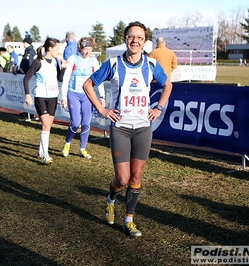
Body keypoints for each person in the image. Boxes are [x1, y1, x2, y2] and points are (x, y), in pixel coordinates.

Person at [82, 21, 172, 237]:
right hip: (120, 128)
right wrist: (103, 110)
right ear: (125, 40)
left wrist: (159, 107)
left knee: (136, 176)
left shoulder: (151, 65)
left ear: (144, 42)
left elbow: (168, 84)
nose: (135, 41)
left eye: (139, 38)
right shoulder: (113, 64)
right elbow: (87, 85)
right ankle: (111, 198)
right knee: (122, 179)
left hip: (143, 128)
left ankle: (129, 220)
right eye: (131, 37)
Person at [60, 36, 105, 159]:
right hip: (73, 94)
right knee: (75, 123)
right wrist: (63, 97)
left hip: (87, 96)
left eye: (90, 49)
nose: (87, 52)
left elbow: (99, 79)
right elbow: (66, 79)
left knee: (86, 124)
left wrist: (102, 96)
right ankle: (67, 143)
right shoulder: (73, 58)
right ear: (80, 48)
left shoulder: (93, 61)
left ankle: (82, 148)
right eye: (85, 49)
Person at [23, 37, 66, 165]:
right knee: (46, 125)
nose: (59, 51)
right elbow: (26, 78)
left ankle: (41, 151)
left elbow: (59, 78)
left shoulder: (55, 61)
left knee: (47, 126)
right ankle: (45, 156)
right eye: (57, 49)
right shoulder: (38, 62)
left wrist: (63, 68)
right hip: (41, 96)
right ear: (50, 48)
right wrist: (27, 95)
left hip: (53, 97)